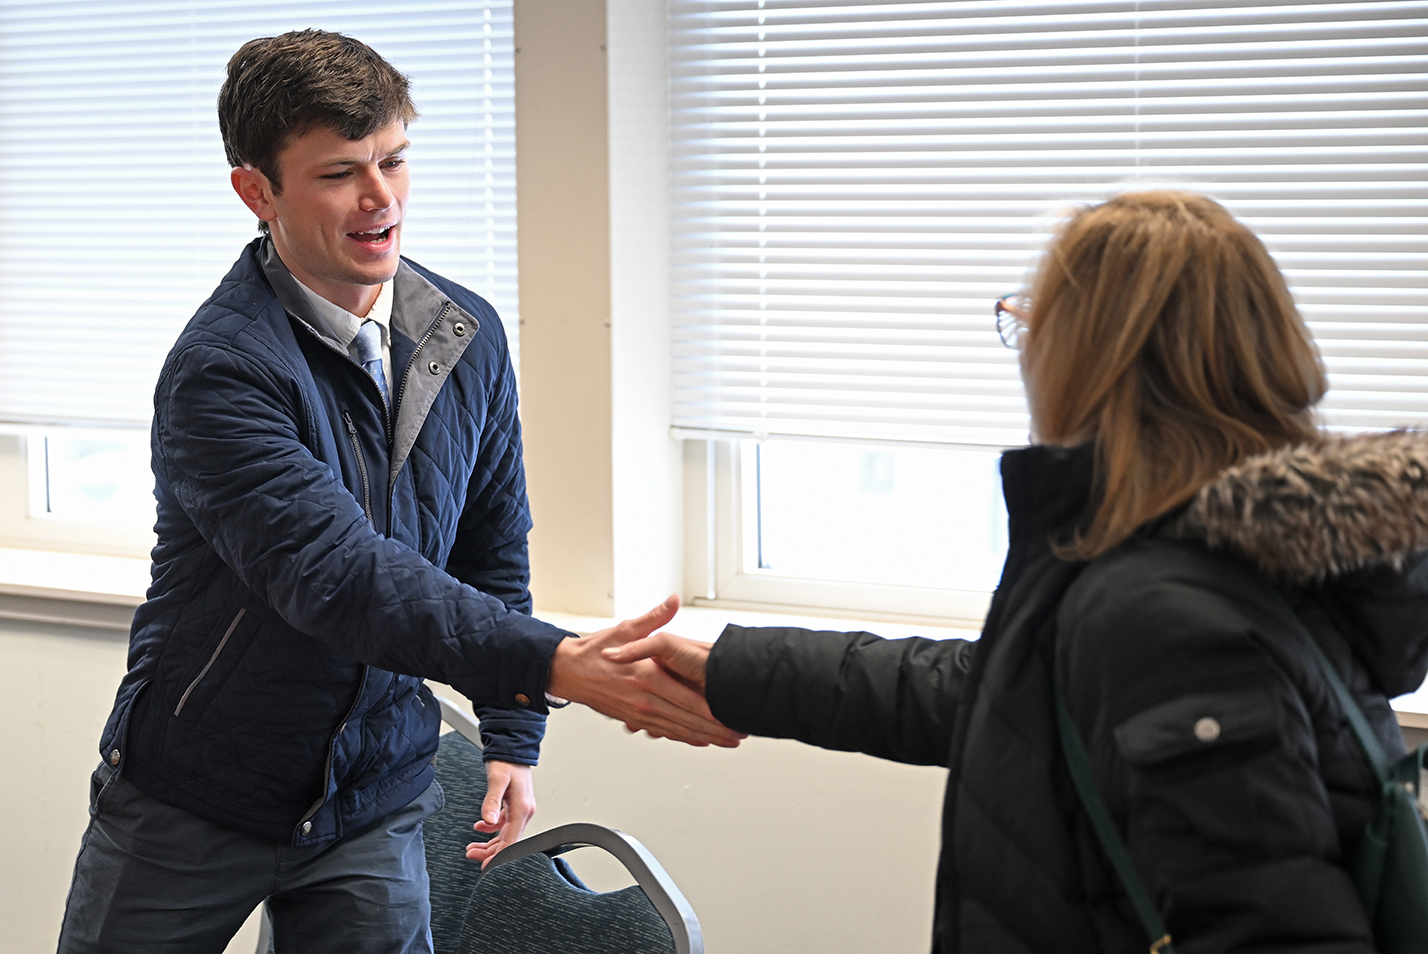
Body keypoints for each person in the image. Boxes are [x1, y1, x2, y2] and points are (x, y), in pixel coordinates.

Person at [57, 30, 738, 954]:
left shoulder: (465, 335)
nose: (382, 198)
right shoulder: (220, 371)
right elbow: (338, 576)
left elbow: (491, 543)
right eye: (341, 173)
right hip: (195, 796)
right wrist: (556, 661)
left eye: (394, 159)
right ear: (256, 191)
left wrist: (512, 729)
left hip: (374, 795)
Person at [611, 191, 1428, 952]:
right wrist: (736, 668)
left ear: (1095, 361)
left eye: (1037, 320)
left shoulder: (1168, 608)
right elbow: (1005, 692)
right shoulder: (1206, 546)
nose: (1027, 347)